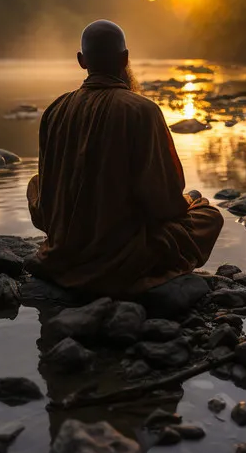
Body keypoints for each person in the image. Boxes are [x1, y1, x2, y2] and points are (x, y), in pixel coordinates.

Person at [26, 20, 224, 296]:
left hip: (64, 250)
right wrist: (188, 203)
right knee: (209, 214)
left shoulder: (55, 110)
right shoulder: (142, 110)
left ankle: (72, 249)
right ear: (125, 59)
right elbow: (165, 202)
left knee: (37, 182)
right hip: (119, 256)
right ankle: (118, 272)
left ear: (82, 61)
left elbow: (47, 196)